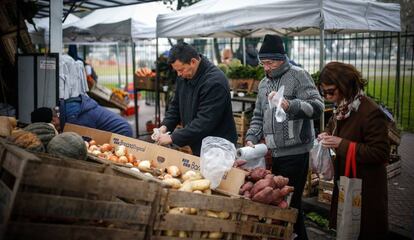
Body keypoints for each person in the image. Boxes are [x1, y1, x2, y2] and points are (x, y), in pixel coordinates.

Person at [245, 34, 324, 240]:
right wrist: (252, 137)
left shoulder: (298, 75)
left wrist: (290, 105)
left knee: (290, 205)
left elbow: (317, 107)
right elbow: (258, 115)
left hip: (296, 152)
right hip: (274, 151)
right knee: (283, 206)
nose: (266, 67)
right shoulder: (263, 83)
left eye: (270, 62)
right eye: (263, 63)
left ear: (282, 58)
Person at [317, 62, 389, 239]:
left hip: (366, 186)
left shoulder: (370, 111)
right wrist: (326, 136)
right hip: (347, 179)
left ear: (345, 85)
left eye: (330, 91)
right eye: (323, 92)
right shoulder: (343, 107)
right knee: (348, 227)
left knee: (364, 230)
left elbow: (380, 153)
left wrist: (340, 143)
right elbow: (334, 128)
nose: (326, 96)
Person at [155, 43, 237, 156]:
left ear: (193, 62)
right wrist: (165, 127)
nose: (179, 74)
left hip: (218, 147)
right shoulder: (185, 76)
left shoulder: (215, 82)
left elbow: (204, 121)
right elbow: (175, 107)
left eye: (181, 69)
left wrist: (172, 137)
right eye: (176, 71)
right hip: (199, 143)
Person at [59, 94, 133, 137]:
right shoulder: (72, 107)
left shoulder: (75, 118)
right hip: (122, 128)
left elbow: (84, 141)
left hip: (122, 132)